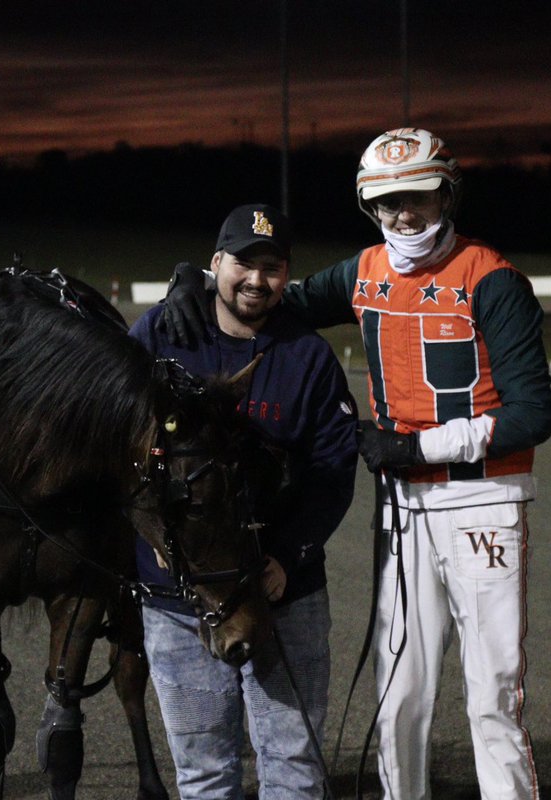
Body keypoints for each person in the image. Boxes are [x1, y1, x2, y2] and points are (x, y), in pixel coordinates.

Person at [162, 129, 551, 800]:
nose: (404, 215)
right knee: (399, 694)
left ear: (447, 194)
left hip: (483, 502)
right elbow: (271, 297)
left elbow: (533, 414)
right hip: (404, 507)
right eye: (388, 201)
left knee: (491, 696)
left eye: (418, 198)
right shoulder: (365, 269)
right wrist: (197, 283)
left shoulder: (494, 280)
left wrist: (420, 446)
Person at [130, 203, 359, 799]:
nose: (256, 280)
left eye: (272, 267)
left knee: (293, 766)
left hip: (284, 595)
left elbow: (332, 472)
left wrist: (287, 555)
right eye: (243, 264)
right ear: (216, 265)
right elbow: (111, 448)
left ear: (287, 275)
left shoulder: (307, 356)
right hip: (177, 605)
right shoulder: (159, 336)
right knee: (205, 774)